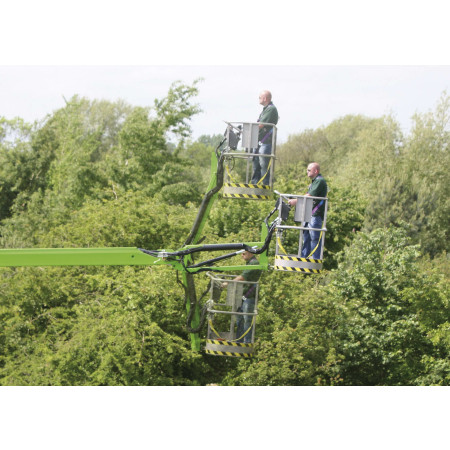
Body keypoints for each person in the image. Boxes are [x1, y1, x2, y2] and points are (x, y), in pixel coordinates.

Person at [288, 162, 328, 259]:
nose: (307, 172)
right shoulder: (314, 182)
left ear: (316, 171)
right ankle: (304, 256)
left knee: (314, 238)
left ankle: (315, 258)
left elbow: (309, 196)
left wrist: (295, 201)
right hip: (308, 213)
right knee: (306, 236)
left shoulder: (319, 181)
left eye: (309, 170)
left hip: (315, 214)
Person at [223, 250, 262, 343]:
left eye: (244, 253)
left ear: (251, 253)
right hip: (244, 295)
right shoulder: (249, 263)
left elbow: (242, 277)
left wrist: (228, 283)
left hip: (249, 296)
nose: (242, 256)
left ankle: (247, 341)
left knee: (247, 319)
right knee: (239, 319)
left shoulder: (254, 263)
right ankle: (239, 340)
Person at [251, 90, 279, 186]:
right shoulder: (265, 110)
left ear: (265, 98)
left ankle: (265, 184)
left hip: (266, 141)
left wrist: (250, 128)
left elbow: (261, 124)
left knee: (264, 163)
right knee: (256, 163)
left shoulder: (271, 109)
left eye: (259, 97)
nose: (258, 99)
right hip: (259, 141)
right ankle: (255, 183)